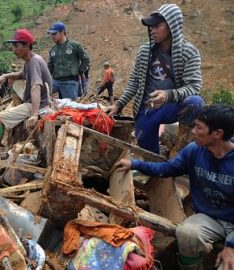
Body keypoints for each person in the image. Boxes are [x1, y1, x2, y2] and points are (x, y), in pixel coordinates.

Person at [115, 104, 234, 270]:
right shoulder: (194, 151)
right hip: (209, 217)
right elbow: (167, 169)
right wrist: (135, 164)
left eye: (198, 128)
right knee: (186, 233)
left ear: (218, 133)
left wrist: (231, 245)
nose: (192, 131)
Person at [105, 4, 204, 155]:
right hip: (148, 109)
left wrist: (168, 95)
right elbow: (134, 81)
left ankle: (180, 152)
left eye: (158, 26)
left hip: (171, 106)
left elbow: (193, 87)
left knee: (195, 102)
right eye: (151, 26)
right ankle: (155, 166)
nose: (153, 30)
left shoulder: (188, 52)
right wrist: (118, 105)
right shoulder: (145, 51)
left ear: (172, 27)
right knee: (148, 152)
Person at [0, 29, 52, 141]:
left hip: (37, 105)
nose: (14, 50)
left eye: (16, 46)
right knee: (15, 80)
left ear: (27, 46)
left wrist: (34, 114)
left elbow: (36, 87)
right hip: (35, 102)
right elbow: (21, 74)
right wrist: (5, 75)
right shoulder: (29, 61)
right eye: (13, 47)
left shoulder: (34, 62)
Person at [47, 22, 90, 100]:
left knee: (69, 107)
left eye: (54, 34)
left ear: (62, 32)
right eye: (51, 34)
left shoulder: (75, 46)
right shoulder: (53, 50)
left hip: (70, 82)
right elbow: (50, 67)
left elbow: (86, 59)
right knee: (40, 92)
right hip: (55, 81)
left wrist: (80, 71)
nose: (52, 36)